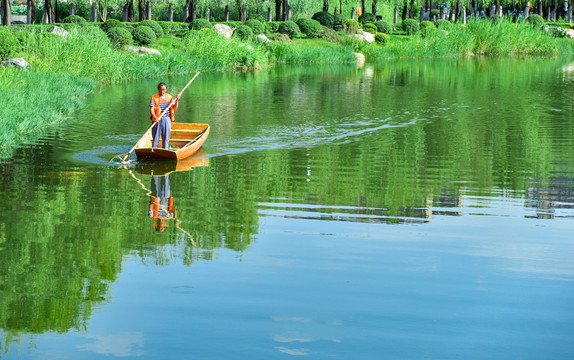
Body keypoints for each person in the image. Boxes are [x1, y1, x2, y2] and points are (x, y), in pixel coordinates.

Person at [150, 83, 181, 149]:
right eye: (160, 90)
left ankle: (165, 148)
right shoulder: (154, 97)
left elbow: (175, 107)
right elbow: (152, 109)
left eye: (163, 90)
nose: (162, 92)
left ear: (166, 89)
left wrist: (177, 100)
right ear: (158, 89)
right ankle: (154, 149)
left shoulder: (169, 97)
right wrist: (155, 117)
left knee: (166, 135)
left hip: (166, 118)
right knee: (155, 136)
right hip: (157, 119)